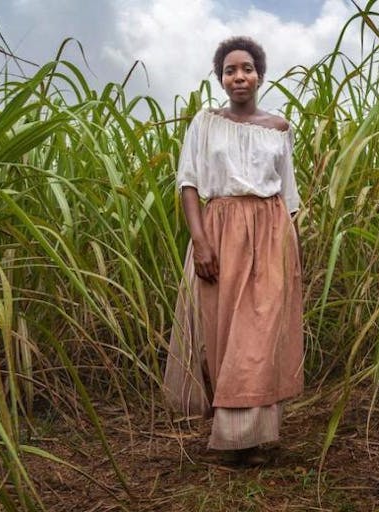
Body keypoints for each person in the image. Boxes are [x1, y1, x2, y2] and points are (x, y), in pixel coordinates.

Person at [164, 36, 303, 466]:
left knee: (259, 333)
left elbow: (289, 194)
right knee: (223, 332)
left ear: (260, 74)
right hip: (221, 232)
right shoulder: (205, 123)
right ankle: (235, 435)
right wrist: (201, 241)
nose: (238, 76)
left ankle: (251, 436)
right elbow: (188, 184)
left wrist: (290, 251)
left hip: (271, 231)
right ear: (220, 78)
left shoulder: (279, 128)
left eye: (246, 68)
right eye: (229, 70)